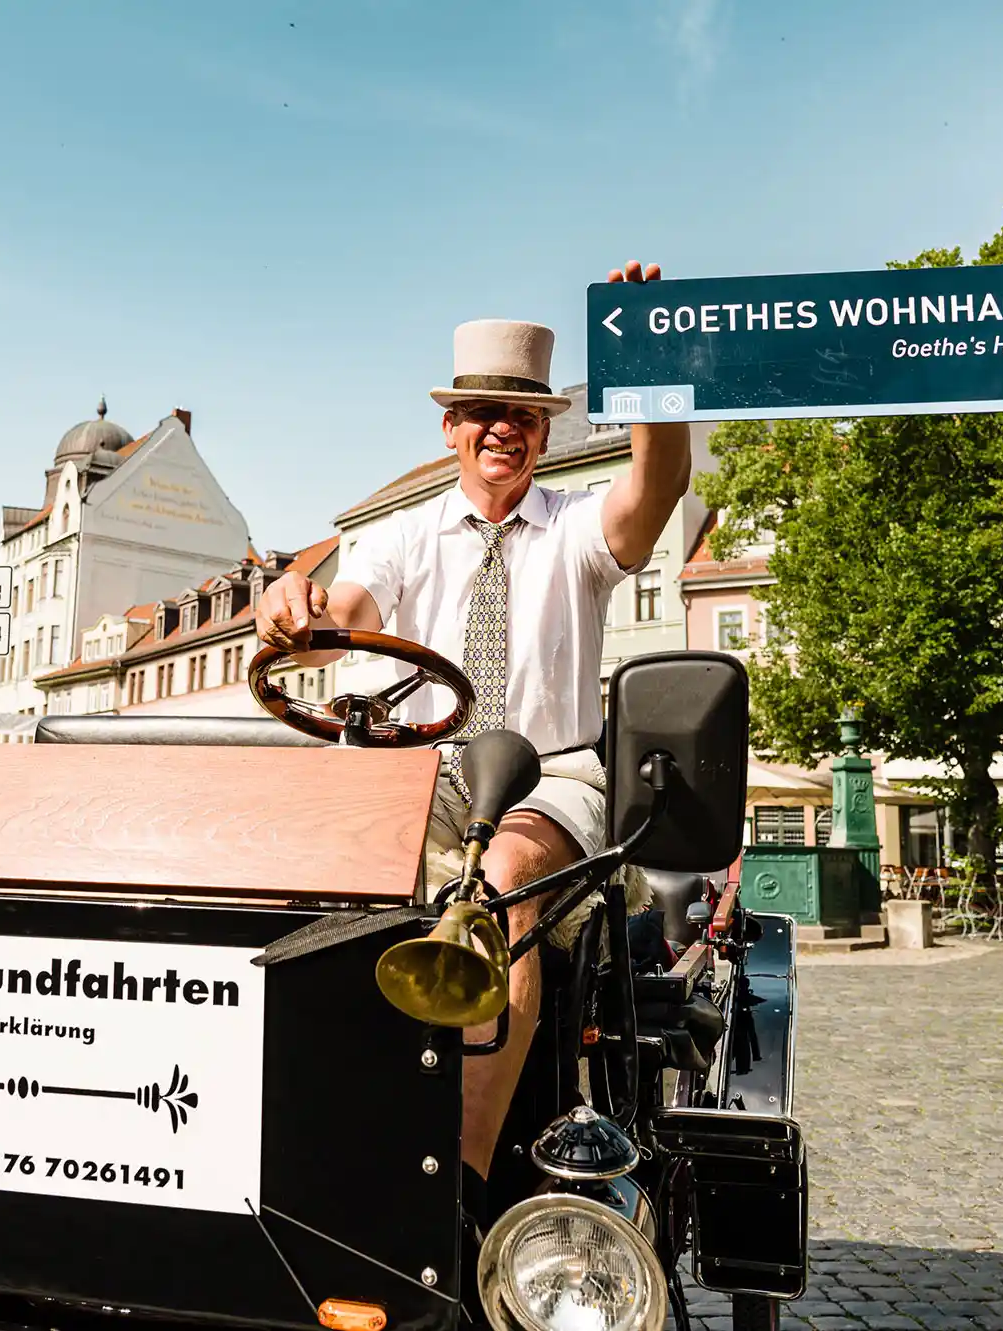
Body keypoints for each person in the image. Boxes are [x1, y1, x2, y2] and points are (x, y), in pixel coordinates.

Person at [253, 278, 692, 1213]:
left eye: (523, 414)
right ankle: (299, 1147)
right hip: (430, 771)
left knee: (505, 885)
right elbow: (347, 615)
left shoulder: (575, 523)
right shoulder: (401, 538)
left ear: (544, 430)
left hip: (551, 772)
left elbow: (657, 490)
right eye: (485, 411)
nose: (504, 428)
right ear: (451, 426)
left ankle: (456, 1188)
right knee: (308, 868)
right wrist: (292, 608)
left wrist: (653, 378)